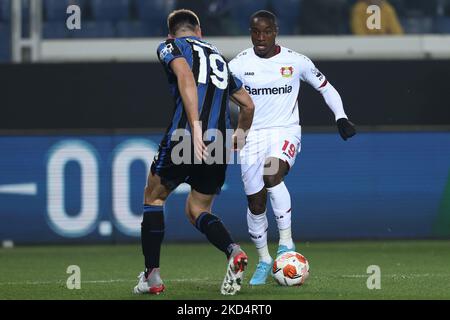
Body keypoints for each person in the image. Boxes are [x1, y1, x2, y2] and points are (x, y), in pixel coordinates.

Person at [228, 10, 356, 285]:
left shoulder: (295, 61)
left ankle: (286, 243)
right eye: (255, 31)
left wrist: (341, 116)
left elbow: (326, 87)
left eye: (266, 31)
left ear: (276, 30)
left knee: (271, 174)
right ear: (250, 32)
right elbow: (221, 98)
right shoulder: (237, 66)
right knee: (255, 203)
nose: (260, 37)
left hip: (284, 131)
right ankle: (264, 259)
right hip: (252, 137)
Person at [133, 9, 255, 295]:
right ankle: (233, 251)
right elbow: (248, 105)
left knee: (154, 196)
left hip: (187, 135)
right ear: (200, 32)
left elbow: (185, 76)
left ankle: (152, 278)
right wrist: (240, 135)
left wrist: (196, 127)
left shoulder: (170, 46)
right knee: (198, 209)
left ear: (170, 34)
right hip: (219, 144)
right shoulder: (220, 60)